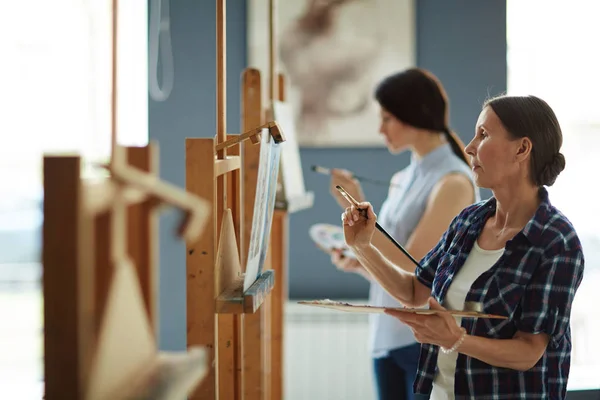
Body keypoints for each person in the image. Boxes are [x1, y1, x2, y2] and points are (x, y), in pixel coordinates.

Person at [341, 94, 585, 399]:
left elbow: (528, 352)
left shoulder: (556, 241)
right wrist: (363, 247)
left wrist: (456, 339)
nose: (469, 147)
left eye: (483, 134)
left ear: (522, 149)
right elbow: (415, 290)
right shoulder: (469, 221)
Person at [328, 68, 478, 400]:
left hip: (422, 339)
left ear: (414, 115)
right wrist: (358, 260)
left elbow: (414, 265)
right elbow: (390, 259)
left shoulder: (453, 183)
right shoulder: (403, 177)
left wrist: (362, 229)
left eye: (387, 118)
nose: (380, 129)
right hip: (387, 334)